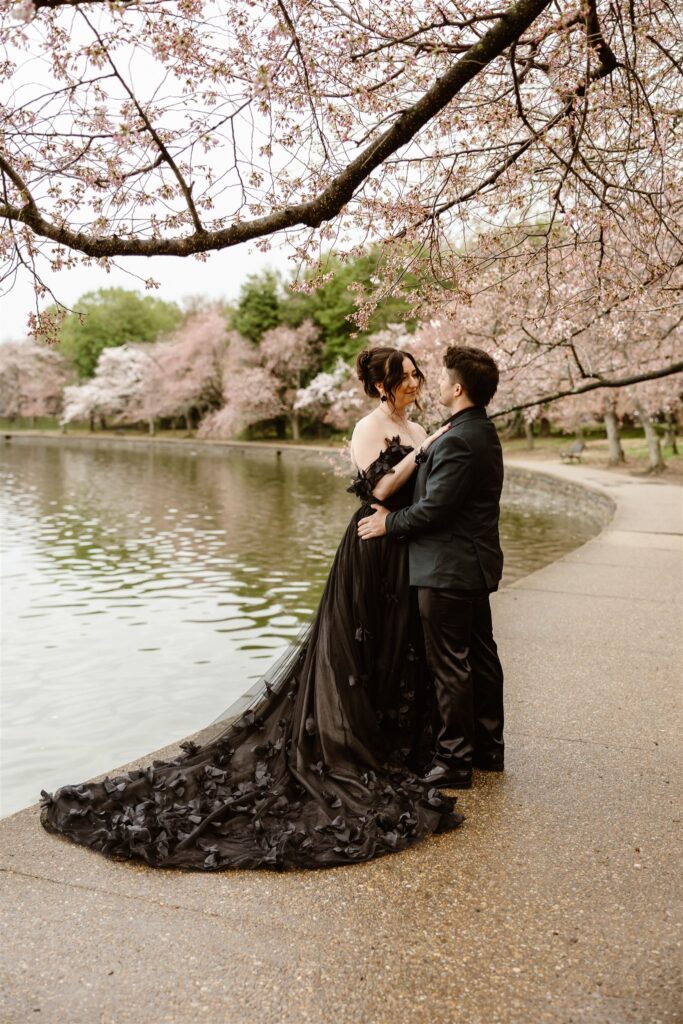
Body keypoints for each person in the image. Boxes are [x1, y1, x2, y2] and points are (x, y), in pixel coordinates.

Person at [40, 347, 463, 871]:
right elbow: (378, 486)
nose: (416, 381)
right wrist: (420, 456)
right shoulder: (368, 428)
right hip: (370, 550)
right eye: (406, 376)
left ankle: (397, 741)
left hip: (404, 549)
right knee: (361, 647)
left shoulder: (421, 429)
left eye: (417, 373)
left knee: (399, 649)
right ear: (382, 386)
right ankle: (352, 745)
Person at [357, 345, 505, 790]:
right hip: (468, 563)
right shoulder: (477, 430)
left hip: (447, 566)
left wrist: (390, 524)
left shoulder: (458, 438)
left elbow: (436, 509)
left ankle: (455, 761)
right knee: (480, 655)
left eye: (439, 377)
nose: (430, 382)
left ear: (458, 388)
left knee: (450, 665)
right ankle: (488, 747)